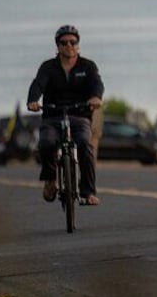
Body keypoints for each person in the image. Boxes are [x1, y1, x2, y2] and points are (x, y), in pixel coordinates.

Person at [27, 25, 104, 205]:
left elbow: (97, 84)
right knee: (46, 143)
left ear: (78, 45)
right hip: (52, 116)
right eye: (63, 42)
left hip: (80, 116)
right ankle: (50, 179)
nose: (68, 45)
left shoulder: (88, 66)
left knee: (85, 146)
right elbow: (38, 84)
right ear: (57, 46)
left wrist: (96, 98)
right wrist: (33, 100)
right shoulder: (48, 67)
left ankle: (88, 192)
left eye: (72, 42)